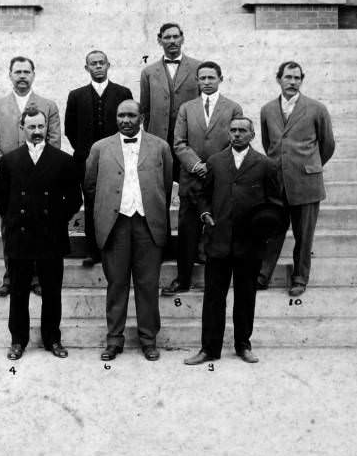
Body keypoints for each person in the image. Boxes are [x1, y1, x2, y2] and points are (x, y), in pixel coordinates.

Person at [184, 115, 282, 365]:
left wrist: (264, 229)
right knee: (213, 298)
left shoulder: (266, 165)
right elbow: (203, 195)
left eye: (242, 130)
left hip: (250, 244)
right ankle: (209, 348)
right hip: (218, 240)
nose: (237, 134)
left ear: (252, 135)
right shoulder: (215, 161)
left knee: (246, 297)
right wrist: (205, 214)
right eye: (233, 130)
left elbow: (276, 203)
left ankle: (243, 345)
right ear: (228, 133)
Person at [84, 98, 173, 362]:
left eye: (131, 116)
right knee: (117, 284)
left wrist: (152, 210)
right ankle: (114, 340)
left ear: (141, 118)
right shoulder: (100, 148)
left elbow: (166, 185)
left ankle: (149, 340)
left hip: (148, 224)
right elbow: (90, 186)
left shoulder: (160, 147)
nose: (125, 120)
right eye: (121, 115)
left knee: (148, 285)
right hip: (115, 225)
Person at [0, 106, 83, 360]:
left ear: (47, 128)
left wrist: (56, 220)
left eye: (40, 126)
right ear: (22, 128)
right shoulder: (9, 161)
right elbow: (0, 199)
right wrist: (15, 221)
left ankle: (52, 339)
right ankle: (17, 340)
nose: (36, 131)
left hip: (51, 236)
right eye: (31, 126)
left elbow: (74, 199)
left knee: (52, 292)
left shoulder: (63, 160)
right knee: (18, 292)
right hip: (20, 237)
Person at [0, 56, 61, 298]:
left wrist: (38, 172)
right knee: (11, 229)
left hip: (40, 182)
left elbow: (54, 141)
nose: (22, 76)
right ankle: (12, 278)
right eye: (18, 72)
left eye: (27, 72)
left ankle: (36, 278)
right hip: (7, 183)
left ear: (33, 75)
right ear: (10, 75)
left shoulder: (48, 106)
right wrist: (7, 170)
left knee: (39, 228)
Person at [163, 61, 242, 296]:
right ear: (197, 81)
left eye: (211, 78)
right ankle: (183, 279)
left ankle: (216, 280)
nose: (207, 82)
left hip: (220, 179)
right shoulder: (187, 108)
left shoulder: (233, 108)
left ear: (220, 79)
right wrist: (196, 165)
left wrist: (214, 167)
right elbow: (179, 142)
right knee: (187, 230)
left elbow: (236, 141)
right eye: (203, 78)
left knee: (218, 229)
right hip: (191, 179)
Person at [257, 60, 336, 296]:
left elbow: (328, 145)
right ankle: (262, 276)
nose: (292, 82)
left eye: (297, 78)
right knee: (272, 230)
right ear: (278, 79)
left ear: (302, 80)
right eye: (288, 77)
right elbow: (269, 144)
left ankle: (300, 278)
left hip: (306, 183)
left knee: (304, 236)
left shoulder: (316, 109)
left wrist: (309, 166)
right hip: (277, 183)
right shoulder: (267, 110)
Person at [64, 50, 132, 268]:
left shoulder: (122, 92)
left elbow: (130, 125)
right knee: (92, 204)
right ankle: (93, 251)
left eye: (102, 62)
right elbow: (70, 129)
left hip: (117, 160)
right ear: (87, 68)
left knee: (117, 203)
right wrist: (86, 153)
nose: (98, 66)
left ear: (108, 65)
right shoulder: (76, 96)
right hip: (86, 162)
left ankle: (115, 249)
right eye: (93, 63)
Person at [139, 22, 201, 153]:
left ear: (182, 39)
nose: (172, 41)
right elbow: (145, 109)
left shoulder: (198, 67)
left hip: (190, 137)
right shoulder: (148, 72)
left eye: (176, 36)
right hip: (159, 138)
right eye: (167, 37)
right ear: (159, 41)